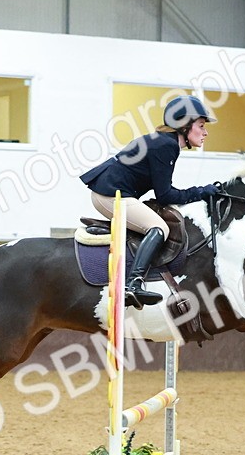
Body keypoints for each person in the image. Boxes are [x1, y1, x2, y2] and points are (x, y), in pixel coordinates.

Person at [80, 95, 219, 309]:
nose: (205, 132)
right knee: (158, 227)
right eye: (201, 125)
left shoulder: (165, 142)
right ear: (184, 125)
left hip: (111, 193)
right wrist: (202, 192)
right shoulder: (166, 145)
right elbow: (166, 195)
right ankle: (132, 283)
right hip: (109, 195)